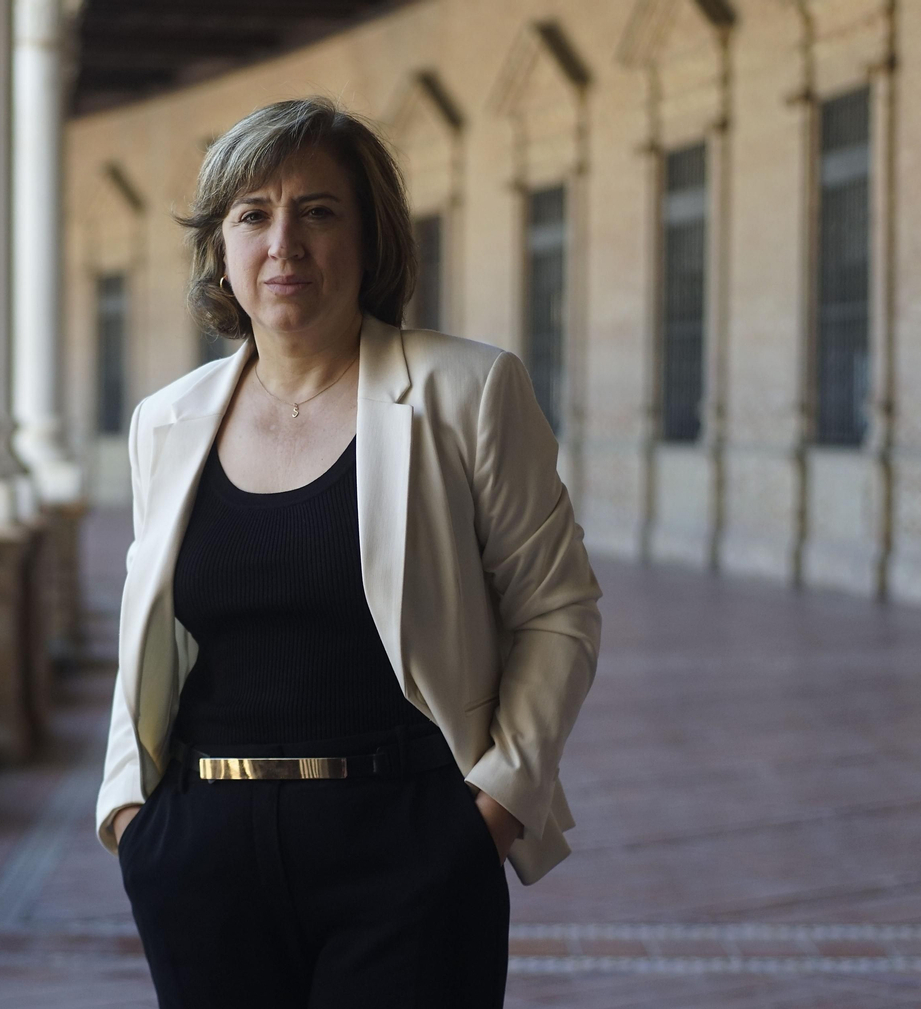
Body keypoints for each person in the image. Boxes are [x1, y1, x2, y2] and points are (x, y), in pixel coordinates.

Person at [95, 95, 602, 1008]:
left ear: (371, 239)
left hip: (408, 842)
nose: (283, 241)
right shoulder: (165, 423)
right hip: (203, 854)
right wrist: (133, 816)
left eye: (317, 211)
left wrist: (494, 808)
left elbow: (556, 609)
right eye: (253, 214)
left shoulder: (467, 391)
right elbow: (152, 636)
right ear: (221, 248)